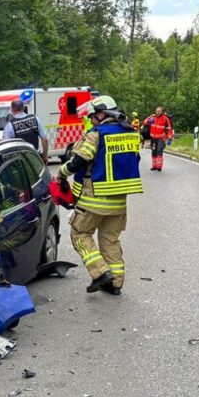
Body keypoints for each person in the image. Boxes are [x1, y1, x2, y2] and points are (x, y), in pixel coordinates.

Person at [57, 96, 143, 295]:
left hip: (94, 198)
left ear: (102, 114)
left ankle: (100, 273)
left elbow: (78, 162)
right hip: (119, 201)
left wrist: (61, 172)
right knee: (110, 240)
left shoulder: (96, 135)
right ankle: (115, 284)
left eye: (92, 116)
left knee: (79, 234)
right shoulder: (130, 133)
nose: (91, 120)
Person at [3, 98, 49, 163]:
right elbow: (45, 140)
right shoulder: (35, 118)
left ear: (12, 109)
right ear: (24, 108)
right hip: (35, 157)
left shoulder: (10, 125)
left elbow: (6, 146)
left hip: (20, 161)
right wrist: (45, 156)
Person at [143, 106, 173, 171]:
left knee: (159, 151)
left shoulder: (165, 119)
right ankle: (154, 166)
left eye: (159, 111)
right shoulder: (153, 117)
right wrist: (149, 120)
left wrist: (169, 138)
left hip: (161, 138)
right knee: (154, 151)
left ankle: (159, 167)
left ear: (162, 112)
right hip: (153, 138)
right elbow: (144, 122)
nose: (157, 112)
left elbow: (169, 129)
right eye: (157, 111)